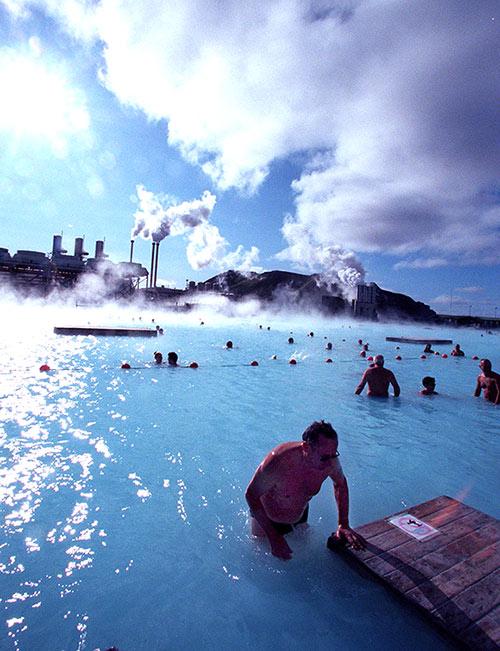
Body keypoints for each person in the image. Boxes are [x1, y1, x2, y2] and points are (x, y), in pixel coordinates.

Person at [245, 421, 365, 560]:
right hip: (267, 520)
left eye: (334, 454)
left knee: (306, 557)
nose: (330, 462)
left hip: (299, 515)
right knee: (262, 559)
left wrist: (343, 524)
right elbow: (251, 495)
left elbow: (340, 484)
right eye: (325, 457)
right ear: (306, 448)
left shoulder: (330, 461)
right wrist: (273, 537)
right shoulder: (279, 461)